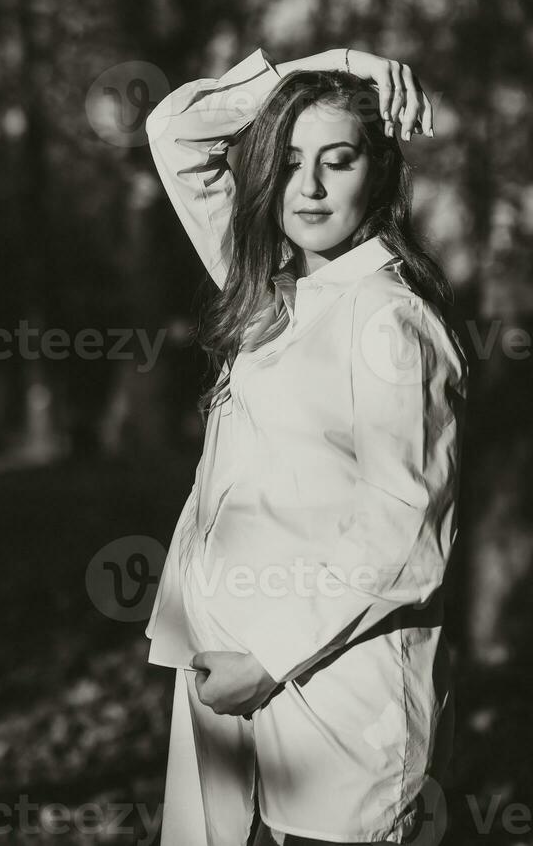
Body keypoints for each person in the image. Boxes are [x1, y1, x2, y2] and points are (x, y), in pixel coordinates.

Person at [144, 46, 469, 846]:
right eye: (288, 161)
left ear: (379, 174)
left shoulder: (391, 319)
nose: (310, 187)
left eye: (338, 159)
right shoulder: (264, 290)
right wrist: (339, 61)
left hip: (334, 691)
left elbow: (407, 533)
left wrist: (270, 655)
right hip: (218, 672)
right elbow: (176, 129)